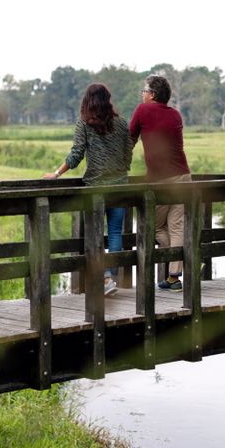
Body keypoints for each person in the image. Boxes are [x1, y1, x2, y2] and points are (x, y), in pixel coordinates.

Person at [44, 83, 132, 295]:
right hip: (119, 186)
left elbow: (76, 155)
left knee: (94, 233)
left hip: (95, 187)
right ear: (107, 100)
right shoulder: (121, 123)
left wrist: (57, 173)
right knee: (114, 233)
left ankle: (105, 279)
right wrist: (121, 171)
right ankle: (109, 277)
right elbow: (128, 151)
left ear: (88, 100)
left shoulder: (84, 123)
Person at [129, 74, 191, 292]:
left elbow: (129, 139)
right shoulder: (175, 114)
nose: (142, 94)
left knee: (152, 224)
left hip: (162, 180)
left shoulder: (143, 110)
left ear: (152, 94)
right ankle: (176, 276)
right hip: (183, 176)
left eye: (144, 90)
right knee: (176, 226)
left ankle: (181, 265)